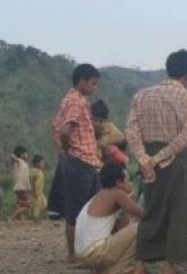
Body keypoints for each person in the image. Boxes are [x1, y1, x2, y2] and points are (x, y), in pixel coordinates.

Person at [126, 49, 187, 274]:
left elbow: (132, 132)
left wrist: (145, 159)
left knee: (151, 210)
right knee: (180, 211)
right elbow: (186, 136)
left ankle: (140, 267)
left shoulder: (141, 96)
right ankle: (169, 269)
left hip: (148, 161)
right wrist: (159, 158)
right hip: (177, 161)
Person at [49, 64, 102, 261]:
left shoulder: (72, 99)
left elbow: (54, 126)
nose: (94, 87)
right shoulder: (75, 102)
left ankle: (83, 250)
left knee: (86, 206)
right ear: (82, 81)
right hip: (80, 159)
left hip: (85, 160)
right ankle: (74, 254)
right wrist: (67, 150)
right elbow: (64, 131)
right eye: (93, 83)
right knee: (77, 209)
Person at [74, 163, 144, 274]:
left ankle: (106, 267)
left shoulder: (99, 196)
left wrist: (124, 209)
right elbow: (143, 214)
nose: (130, 183)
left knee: (132, 231)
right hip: (96, 253)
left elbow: (122, 227)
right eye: (127, 180)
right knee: (143, 227)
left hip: (84, 255)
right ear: (118, 182)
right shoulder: (117, 194)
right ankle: (119, 267)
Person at [91, 100, 128, 165]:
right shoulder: (86, 131)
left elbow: (122, 139)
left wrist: (106, 142)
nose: (98, 124)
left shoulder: (109, 127)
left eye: (101, 121)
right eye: (95, 120)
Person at [9, 146, 32, 221]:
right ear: (21, 154)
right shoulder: (20, 161)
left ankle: (20, 220)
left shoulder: (22, 163)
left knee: (20, 205)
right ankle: (11, 217)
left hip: (19, 187)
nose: (27, 154)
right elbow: (13, 158)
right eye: (26, 153)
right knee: (27, 205)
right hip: (22, 187)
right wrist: (13, 156)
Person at [29, 155, 48, 221]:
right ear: (37, 163)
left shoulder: (39, 171)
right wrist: (34, 191)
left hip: (40, 192)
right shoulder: (35, 171)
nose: (43, 164)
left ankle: (36, 217)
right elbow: (33, 181)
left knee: (44, 204)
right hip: (36, 192)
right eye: (42, 162)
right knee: (37, 205)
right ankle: (35, 218)